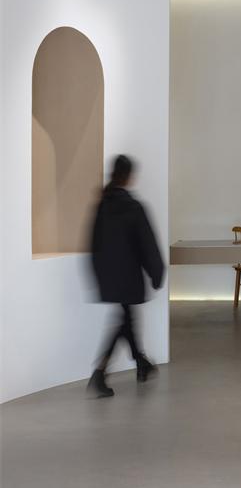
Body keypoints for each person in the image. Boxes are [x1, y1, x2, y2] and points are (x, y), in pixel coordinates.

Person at [87, 154, 165, 397]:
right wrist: (157, 273)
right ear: (129, 176)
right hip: (129, 276)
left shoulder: (102, 205)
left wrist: (98, 274)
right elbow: (147, 244)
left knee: (127, 318)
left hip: (109, 276)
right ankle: (99, 373)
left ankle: (142, 364)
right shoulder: (133, 207)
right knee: (124, 322)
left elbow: (93, 243)